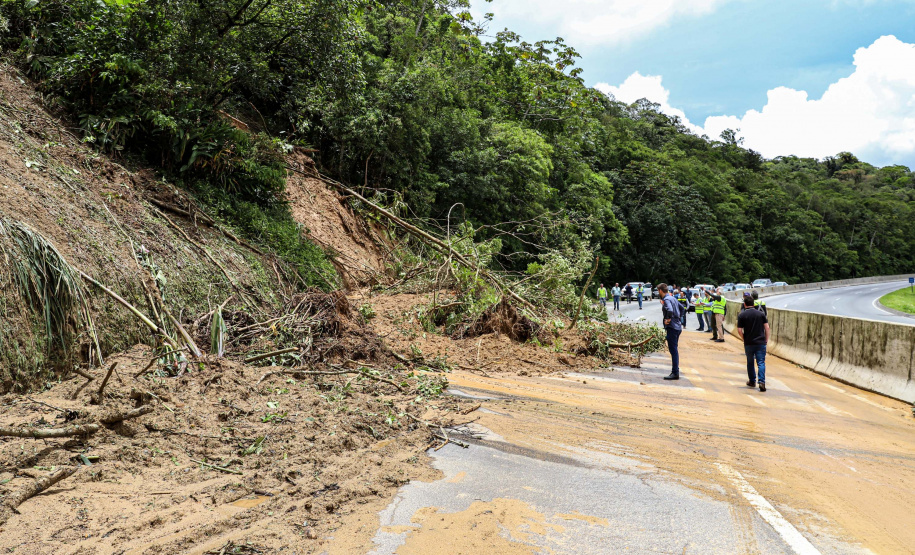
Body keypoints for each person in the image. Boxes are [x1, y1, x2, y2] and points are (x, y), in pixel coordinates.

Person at [737, 292, 770, 392]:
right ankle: (762, 382)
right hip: (760, 342)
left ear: (745, 304)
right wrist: (766, 340)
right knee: (761, 362)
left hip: (749, 343)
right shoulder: (761, 314)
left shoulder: (742, 315)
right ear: (754, 304)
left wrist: (744, 339)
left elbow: (739, 330)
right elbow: (767, 328)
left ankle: (752, 381)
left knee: (750, 362)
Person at [657, 283, 682, 380]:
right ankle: (675, 371)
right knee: (674, 349)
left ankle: (675, 372)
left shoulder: (666, 299)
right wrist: (679, 319)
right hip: (678, 327)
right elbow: (682, 308)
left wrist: (668, 319)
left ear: (660, 291)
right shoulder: (673, 298)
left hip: (672, 328)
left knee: (673, 350)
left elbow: (670, 310)